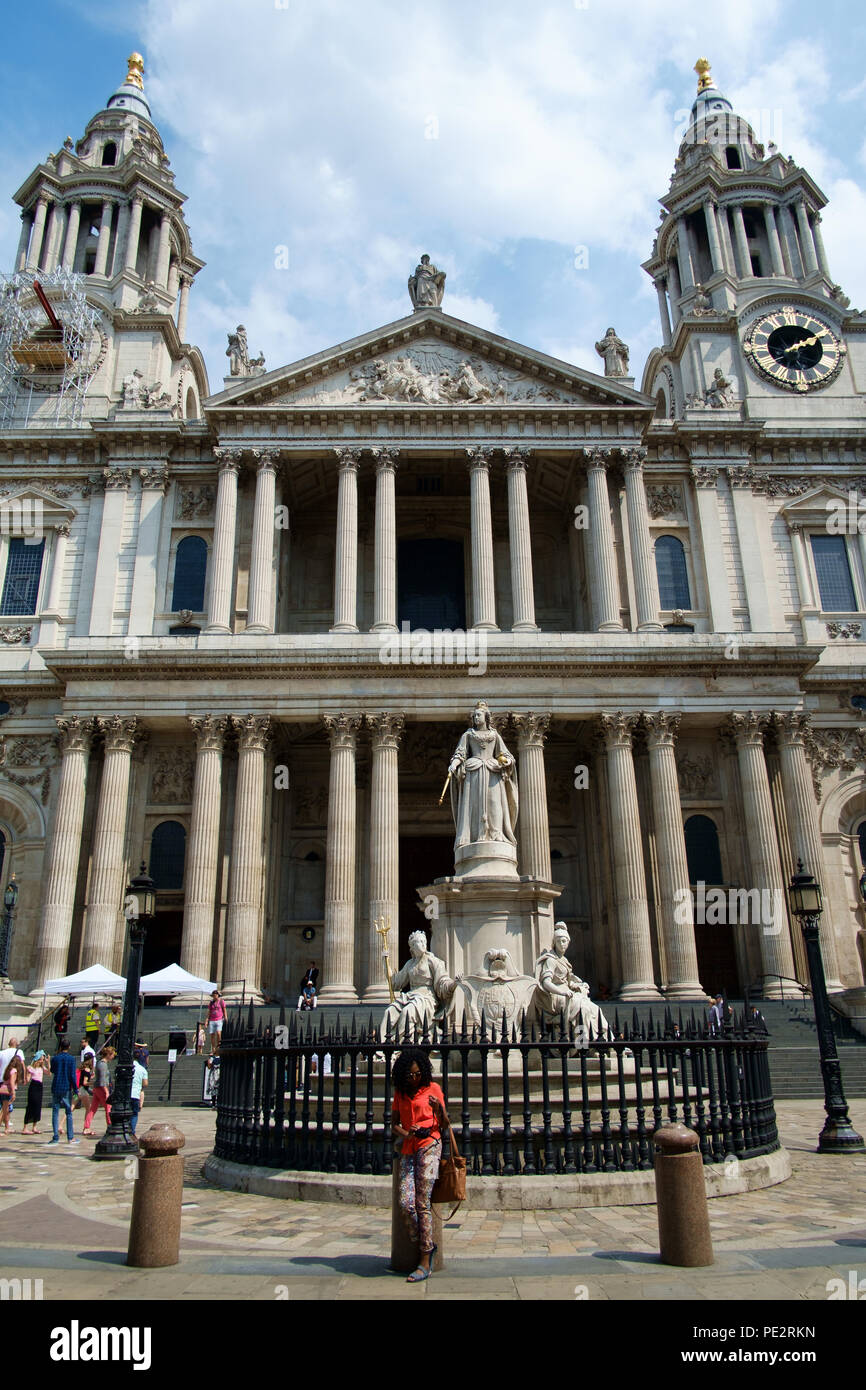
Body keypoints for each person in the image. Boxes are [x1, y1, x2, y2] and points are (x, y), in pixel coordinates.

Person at [391, 1048, 448, 1282]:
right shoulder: (400, 1093)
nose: (413, 1078)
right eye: (409, 1075)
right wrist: (406, 1133)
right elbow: (394, 1124)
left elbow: (445, 1122)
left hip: (431, 1146)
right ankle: (426, 1242)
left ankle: (425, 1259)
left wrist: (438, 1108)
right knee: (406, 1201)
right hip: (408, 1147)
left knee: (422, 1202)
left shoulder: (433, 1089)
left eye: (417, 1074)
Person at [447, 701, 518, 857]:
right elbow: (461, 753)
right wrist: (454, 763)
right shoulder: (468, 735)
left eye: (478, 715)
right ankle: (472, 836)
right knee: (473, 805)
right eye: (474, 715)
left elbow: (506, 755)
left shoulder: (494, 735)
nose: (475, 717)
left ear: (486, 717)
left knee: (494, 803)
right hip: (474, 772)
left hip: (493, 770)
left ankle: (496, 832)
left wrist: (505, 761)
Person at [383, 930, 459, 1035]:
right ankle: (382, 1045)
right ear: (412, 947)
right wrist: (385, 962)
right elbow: (395, 983)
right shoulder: (410, 964)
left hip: (426, 997)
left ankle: (397, 1044)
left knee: (407, 1012)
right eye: (420, 942)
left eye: (424, 941)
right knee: (389, 1012)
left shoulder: (433, 961)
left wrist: (453, 984)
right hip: (410, 996)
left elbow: (443, 981)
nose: (423, 944)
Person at [49, 1040, 79, 1145]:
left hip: (56, 1085)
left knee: (55, 1112)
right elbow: (72, 1075)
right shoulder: (71, 1059)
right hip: (66, 1087)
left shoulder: (55, 1058)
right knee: (68, 1112)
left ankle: (55, 1136)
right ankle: (70, 1137)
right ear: (69, 1047)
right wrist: (75, 1089)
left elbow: (52, 1070)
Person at [83, 1046, 113, 1136]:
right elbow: (102, 1079)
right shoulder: (103, 1064)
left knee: (93, 1109)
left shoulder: (100, 1063)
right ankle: (110, 1126)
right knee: (108, 1108)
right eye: (112, 1055)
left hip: (97, 1088)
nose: (113, 1057)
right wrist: (107, 1091)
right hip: (101, 1088)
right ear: (108, 1054)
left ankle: (86, 1127)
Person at [22, 1050, 50, 1133]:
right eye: (41, 1059)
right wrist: (26, 1072)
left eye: (43, 1059)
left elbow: (49, 1073)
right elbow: (27, 1079)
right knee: (31, 1106)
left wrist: (48, 1063)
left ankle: (34, 1126)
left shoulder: (42, 1068)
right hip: (33, 1086)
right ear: (37, 1059)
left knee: (38, 1106)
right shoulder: (31, 1067)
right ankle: (25, 1127)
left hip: (39, 1086)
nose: (42, 1061)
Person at [0, 1056, 24, 1133]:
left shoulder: (8, 1069)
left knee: (5, 1111)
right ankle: (6, 1128)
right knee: (4, 1111)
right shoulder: (14, 1071)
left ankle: (7, 1128)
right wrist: (13, 1092)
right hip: (7, 1091)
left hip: (2, 1090)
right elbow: (12, 1082)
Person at [130, 1057, 148, 1134]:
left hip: (125, 1094)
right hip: (135, 1094)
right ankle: (132, 1131)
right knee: (134, 1114)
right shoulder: (142, 1069)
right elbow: (145, 1083)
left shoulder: (126, 1067)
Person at [207, 990, 227, 1055]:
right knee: (212, 1034)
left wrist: (226, 1017)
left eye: (215, 995)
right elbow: (209, 1011)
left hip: (219, 1019)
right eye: (213, 995)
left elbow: (224, 1010)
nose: (214, 996)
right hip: (212, 1019)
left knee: (218, 1033)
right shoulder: (211, 1003)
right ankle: (213, 1049)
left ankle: (218, 1047)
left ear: (218, 995)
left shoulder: (221, 1001)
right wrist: (207, 1020)